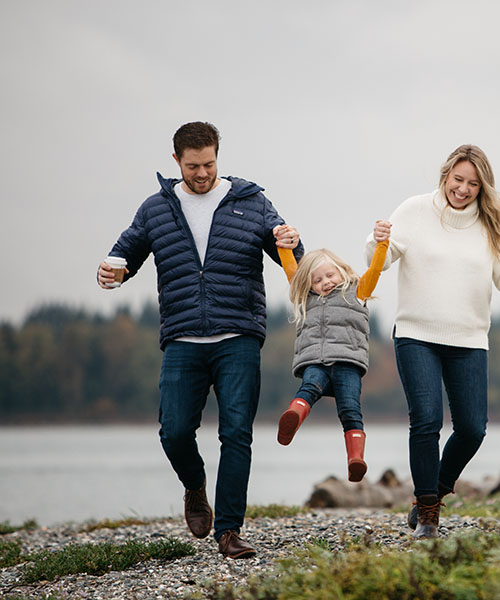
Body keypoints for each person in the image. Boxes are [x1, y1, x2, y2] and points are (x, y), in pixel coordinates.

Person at [96, 121, 303, 559]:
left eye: (209, 164)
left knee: (237, 435)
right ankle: (195, 486)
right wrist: (112, 270)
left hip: (239, 335)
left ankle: (229, 531)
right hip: (182, 338)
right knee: (173, 432)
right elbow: (125, 253)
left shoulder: (250, 201)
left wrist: (292, 241)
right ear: (177, 162)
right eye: (193, 166)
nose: (202, 173)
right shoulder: (157, 208)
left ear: (217, 157)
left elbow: (292, 259)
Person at [366, 144, 500, 538]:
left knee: (473, 428)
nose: (463, 189)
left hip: (470, 338)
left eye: (473, 184)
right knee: (425, 421)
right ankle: (428, 514)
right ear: (445, 176)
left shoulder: (490, 226)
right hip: (416, 335)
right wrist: (377, 240)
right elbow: (382, 258)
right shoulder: (413, 211)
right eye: (458, 180)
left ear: (483, 188)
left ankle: (435, 491)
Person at [274, 224, 390, 482]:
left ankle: (355, 459)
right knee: (309, 387)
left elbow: (375, 270)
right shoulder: (306, 298)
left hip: (348, 362)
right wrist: (284, 248)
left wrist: (382, 245)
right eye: (317, 279)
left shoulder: (358, 291)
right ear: (310, 284)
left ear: (341, 271)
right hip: (315, 360)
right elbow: (291, 270)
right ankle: (292, 418)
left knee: (350, 408)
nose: (325, 282)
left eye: (329, 275)